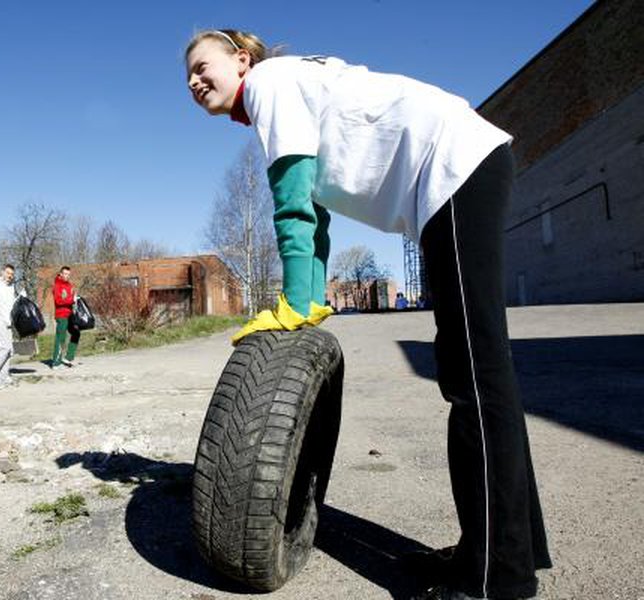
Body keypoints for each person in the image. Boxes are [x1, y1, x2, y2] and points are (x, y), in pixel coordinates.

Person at [185, 30, 550, 600]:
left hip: (452, 168)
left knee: (473, 377)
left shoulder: (272, 85)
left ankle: (496, 578)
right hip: (452, 177)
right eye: (187, 76)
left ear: (242, 59)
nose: (193, 81)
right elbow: (317, 215)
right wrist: (306, 301)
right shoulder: (284, 96)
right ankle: (505, 547)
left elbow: (292, 204)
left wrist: (290, 304)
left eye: (203, 66)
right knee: (476, 372)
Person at [0, 263, 20, 388]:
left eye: (12, 274)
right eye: (7, 273)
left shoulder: (11, 286)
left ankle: (1, 380)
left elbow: (10, 304)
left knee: (9, 350)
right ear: (2, 272)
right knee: (4, 348)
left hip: (8, 321)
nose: (10, 276)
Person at [51, 266, 80, 368]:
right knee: (61, 338)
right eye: (65, 274)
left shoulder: (69, 285)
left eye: (68, 274)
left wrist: (76, 299)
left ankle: (68, 358)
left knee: (76, 332)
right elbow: (58, 301)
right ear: (61, 274)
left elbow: (71, 298)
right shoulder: (57, 285)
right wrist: (72, 299)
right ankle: (56, 362)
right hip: (61, 315)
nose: (67, 276)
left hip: (70, 314)